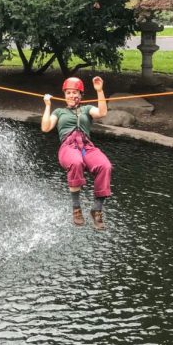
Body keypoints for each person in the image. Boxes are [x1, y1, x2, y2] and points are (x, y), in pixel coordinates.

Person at [41, 76, 113, 230]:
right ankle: (76, 209)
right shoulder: (59, 112)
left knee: (105, 166)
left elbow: (102, 112)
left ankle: (97, 209)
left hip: (86, 146)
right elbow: (45, 128)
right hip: (68, 147)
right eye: (68, 93)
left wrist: (99, 91)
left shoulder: (87, 109)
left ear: (80, 95)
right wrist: (47, 106)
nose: (72, 96)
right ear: (64, 95)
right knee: (76, 162)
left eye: (75, 93)